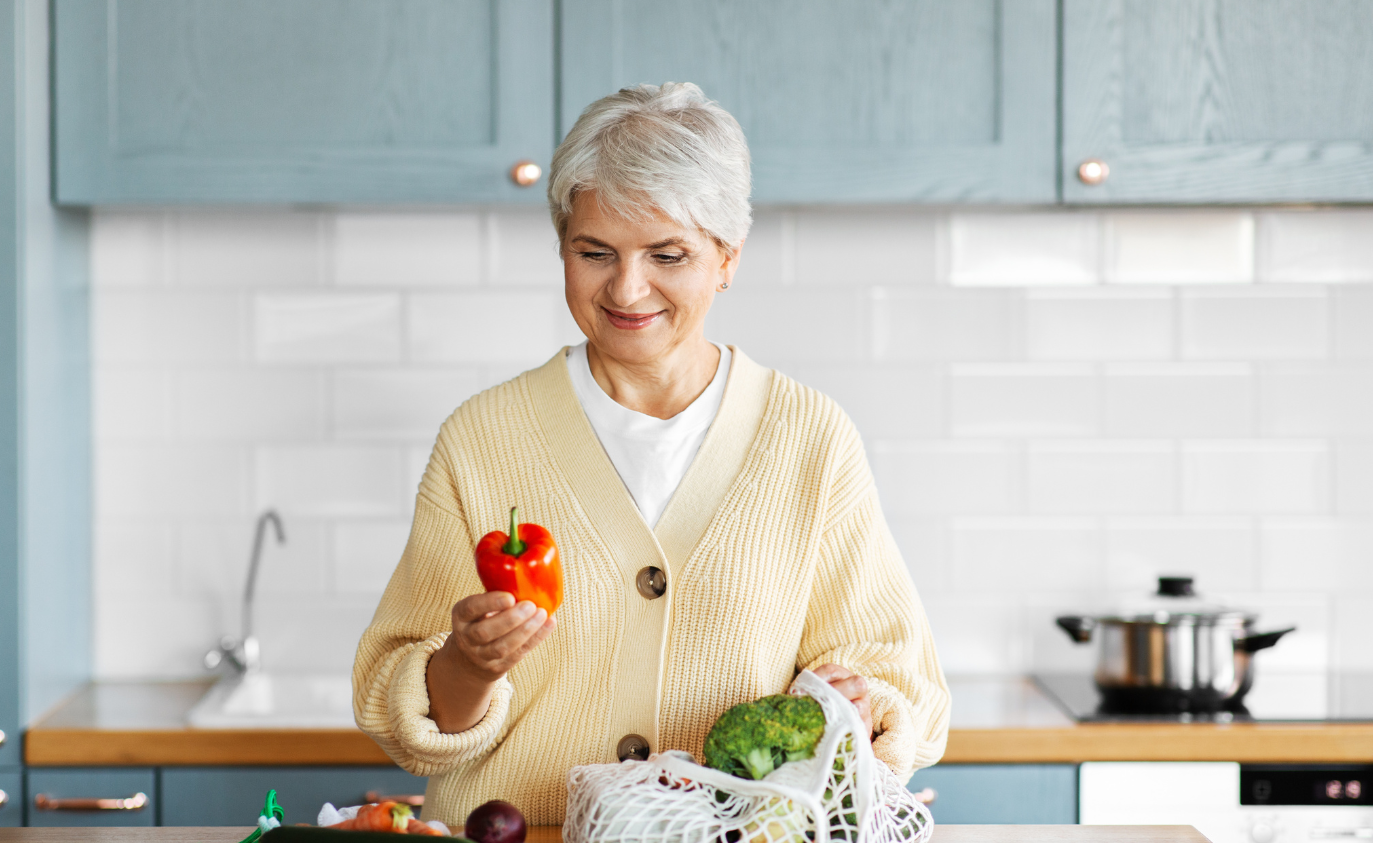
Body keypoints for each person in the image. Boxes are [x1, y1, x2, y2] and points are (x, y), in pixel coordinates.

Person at [352, 82, 949, 828]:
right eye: (594, 252)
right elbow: (405, 710)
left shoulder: (809, 438)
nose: (627, 288)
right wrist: (468, 666)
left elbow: (897, 683)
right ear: (562, 247)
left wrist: (855, 708)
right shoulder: (484, 437)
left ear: (727, 257)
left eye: (668, 254)